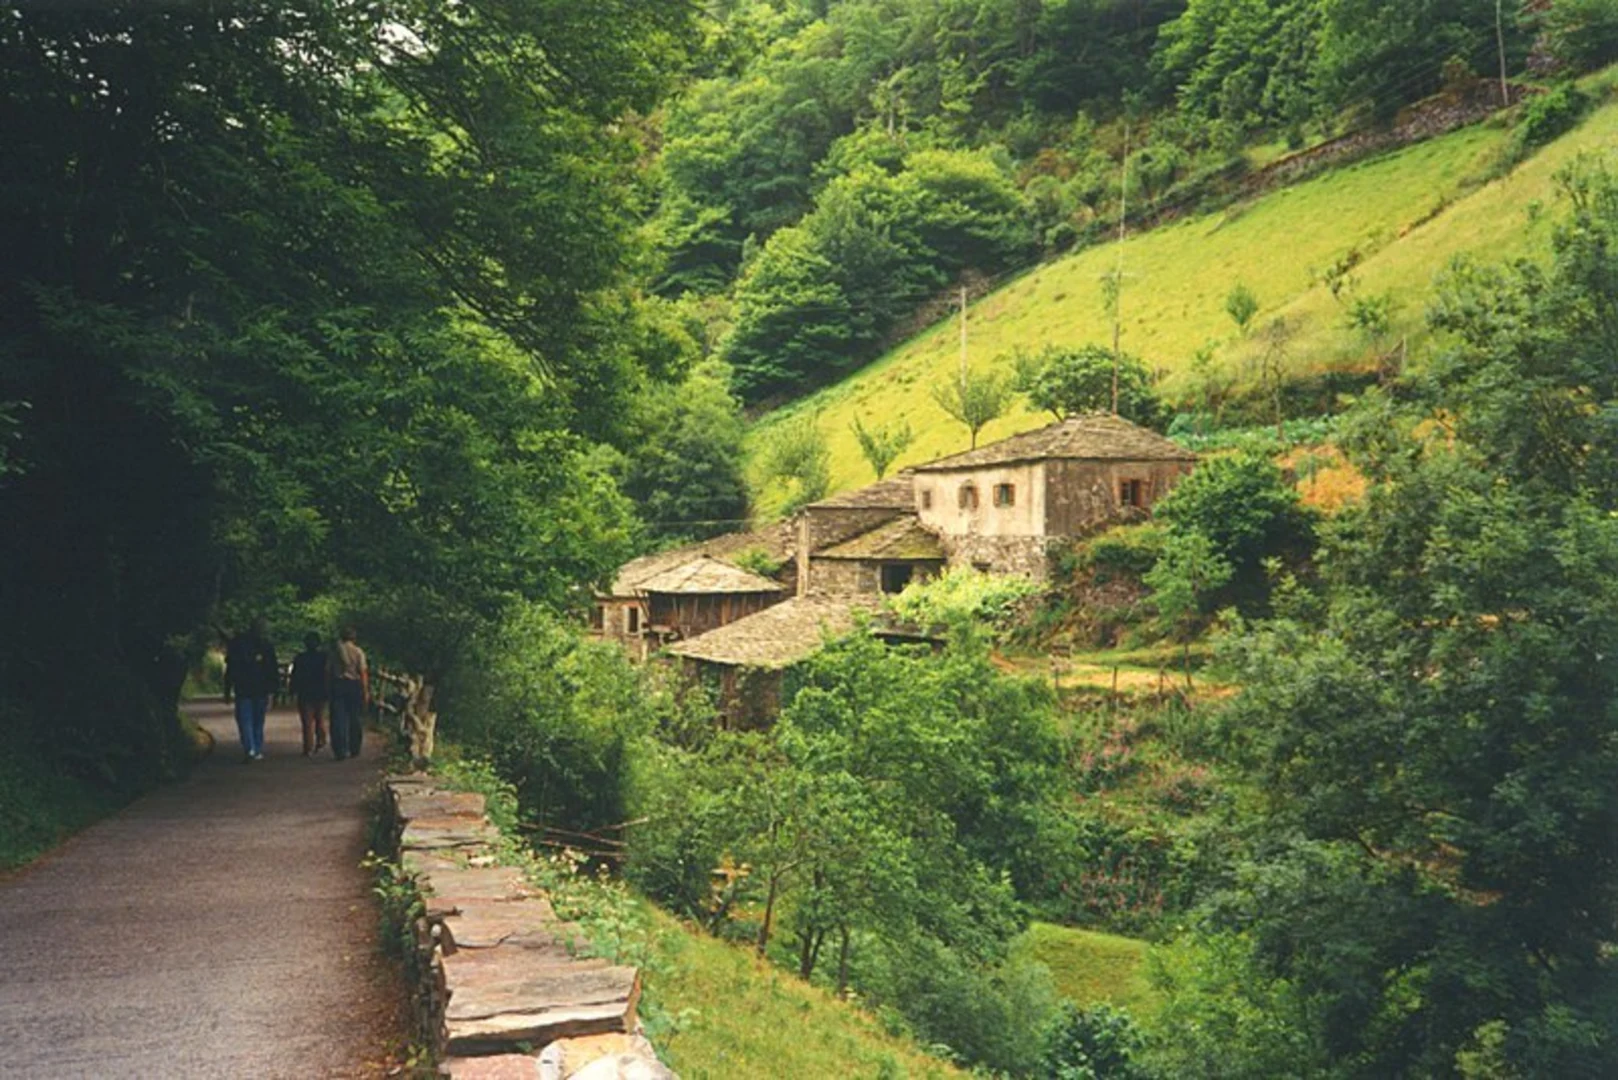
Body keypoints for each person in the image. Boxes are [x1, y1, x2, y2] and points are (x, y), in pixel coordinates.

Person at [225, 619, 277, 762]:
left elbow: (231, 669)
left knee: (245, 720)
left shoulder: (237, 645)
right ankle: (257, 748)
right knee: (258, 721)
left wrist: (227, 690)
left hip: (243, 689)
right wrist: (272, 691)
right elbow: (272, 670)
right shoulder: (266, 646)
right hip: (261, 689)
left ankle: (250, 748)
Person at [328, 625, 369, 761]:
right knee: (355, 717)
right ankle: (354, 748)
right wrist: (365, 690)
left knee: (338, 717)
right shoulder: (358, 652)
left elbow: (327, 670)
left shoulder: (335, 652)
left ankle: (340, 749)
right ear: (354, 637)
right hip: (354, 685)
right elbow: (363, 672)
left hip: (338, 685)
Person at [290, 632, 330, 757]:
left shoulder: (300, 658)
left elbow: (295, 676)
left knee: (307, 721)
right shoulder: (324, 657)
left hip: (305, 692)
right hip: (320, 691)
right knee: (320, 717)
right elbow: (328, 674)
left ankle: (308, 747)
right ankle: (321, 739)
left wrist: (292, 689)